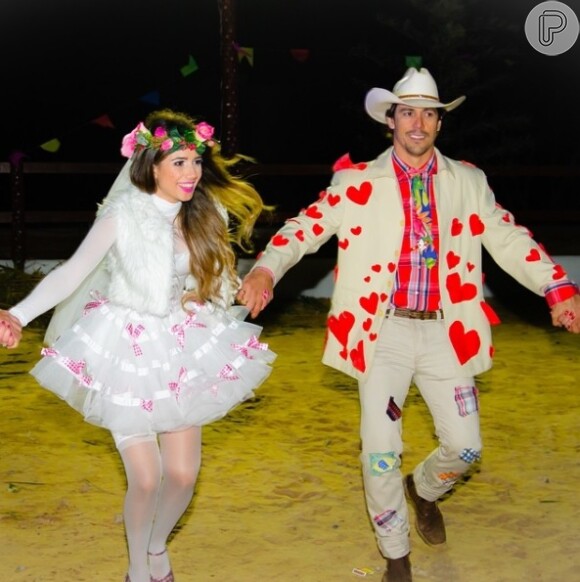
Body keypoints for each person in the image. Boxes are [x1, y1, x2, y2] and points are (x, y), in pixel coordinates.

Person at [237, 67, 580, 582]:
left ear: (440, 123)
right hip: (382, 335)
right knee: (380, 451)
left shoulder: (467, 181)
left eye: (428, 113)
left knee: (465, 448)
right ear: (390, 121)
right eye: (407, 112)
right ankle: (395, 553)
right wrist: (266, 268)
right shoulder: (355, 183)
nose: (417, 123)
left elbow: (508, 238)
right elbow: (305, 227)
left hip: (449, 332)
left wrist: (556, 286)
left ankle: (423, 489)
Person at [0, 108, 276, 582]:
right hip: (125, 347)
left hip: (180, 342)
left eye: (195, 162)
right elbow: (71, 272)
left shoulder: (202, 214)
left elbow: (217, 277)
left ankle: (154, 546)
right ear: (151, 167)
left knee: (184, 476)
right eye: (179, 163)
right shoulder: (122, 216)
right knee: (146, 478)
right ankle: (136, 571)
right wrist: (17, 314)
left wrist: (208, 293)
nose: (191, 173)